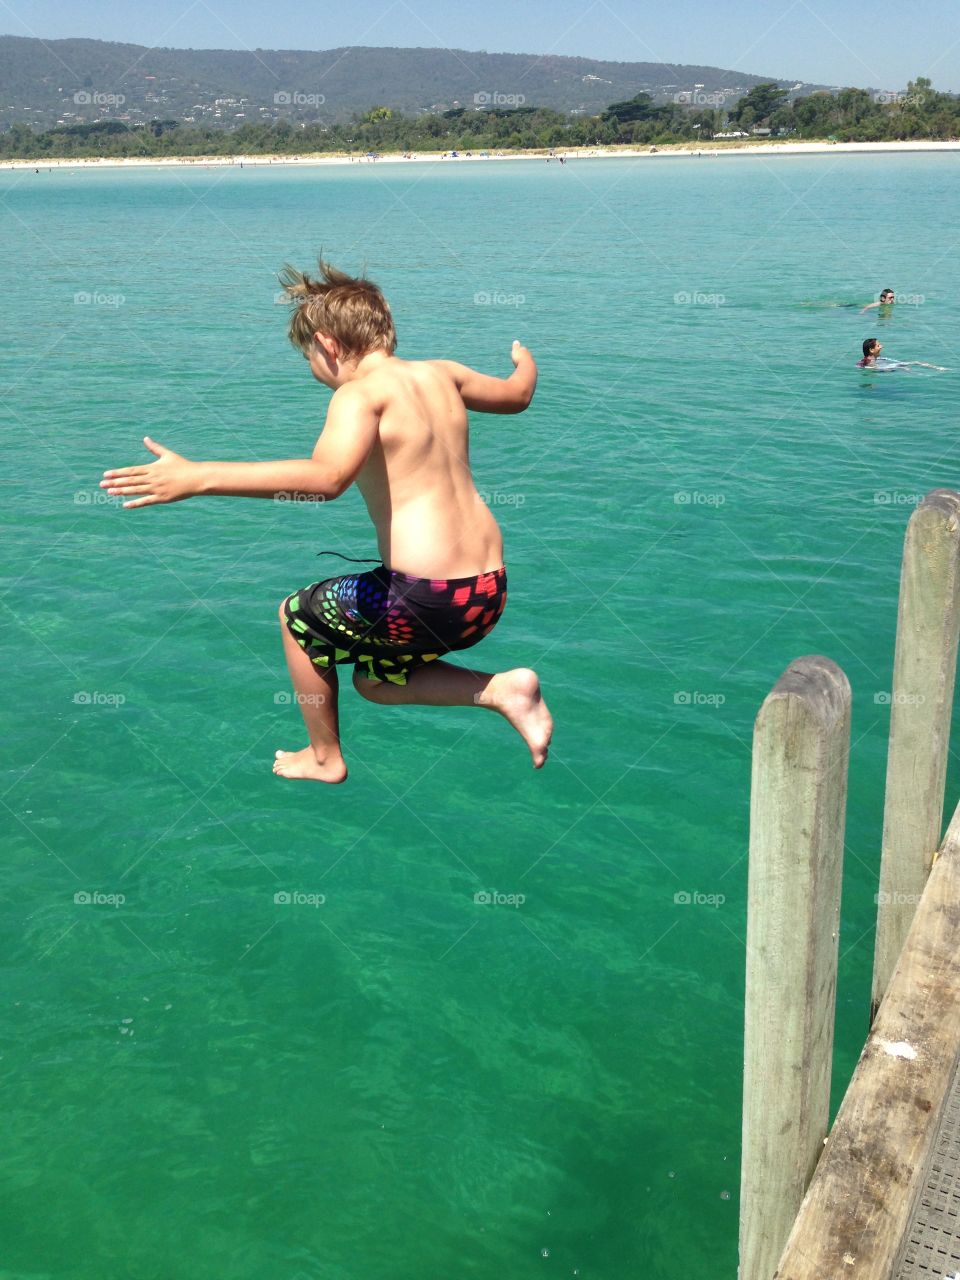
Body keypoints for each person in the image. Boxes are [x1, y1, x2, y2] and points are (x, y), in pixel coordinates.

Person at [101, 259, 553, 784]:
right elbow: (517, 395)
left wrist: (199, 477)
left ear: (327, 344)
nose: (312, 368)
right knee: (376, 681)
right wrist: (526, 362)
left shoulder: (360, 394)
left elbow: (326, 479)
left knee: (296, 619)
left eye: (308, 357)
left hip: (424, 596)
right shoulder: (443, 375)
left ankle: (324, 757)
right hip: (485, 593)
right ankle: (501, 689)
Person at [857, 337, 945, 371]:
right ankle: (938, 368)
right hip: (881, 368)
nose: (882, 346)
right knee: (911, 364)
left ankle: (938, 368)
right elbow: (875, 369)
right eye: (878, 345)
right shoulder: (870, 363)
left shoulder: (865, 360)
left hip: (882, 366)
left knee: (914, 363)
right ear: (871, 350)